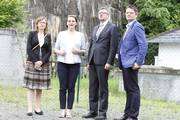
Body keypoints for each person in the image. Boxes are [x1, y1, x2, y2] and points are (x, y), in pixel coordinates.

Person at [82, 8, 119, 120]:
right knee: (92, 87)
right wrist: (88, 62)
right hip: (93, 62)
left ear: (108, 15)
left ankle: (102, 113)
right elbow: (92, 45)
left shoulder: (112, 28)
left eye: (103, 13)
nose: (101, 15)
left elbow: (113, 47)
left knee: (103, 88)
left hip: (103, 63)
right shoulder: (95, 28)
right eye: (99, 13)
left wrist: (109, 62)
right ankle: (92, 111)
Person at [114, 5, 148, 120]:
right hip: (125, 63)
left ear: (136, 14)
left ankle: (133, 117)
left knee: (133, 90)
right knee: (128, 90)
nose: (128, 14)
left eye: (131, 13)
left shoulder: (137, 26)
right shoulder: (128, 27)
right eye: (127, 13)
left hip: (132, 63)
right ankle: (127, 115)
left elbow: (143, 45)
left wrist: (138, 62)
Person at [54, 15, 86, 118]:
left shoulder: (80, 35)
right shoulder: (61, 34)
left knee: (71, 88)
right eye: (69, 21)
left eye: (73, 21)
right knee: (62, 88)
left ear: (76, 23)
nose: (71, 22)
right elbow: (55, 49)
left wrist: (78, 51)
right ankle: (62, 110)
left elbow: (84, 50)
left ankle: (69, 111)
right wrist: (59, 52)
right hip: (62, 63)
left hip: (75, 64)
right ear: (67, 23)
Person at [23, 16, 52, 116]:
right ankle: (30, 109)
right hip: (32, 63)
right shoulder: (31, 34)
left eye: (44, 23)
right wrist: (36, 61)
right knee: (30, 87)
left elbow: (49, 51)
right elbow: (28, 49)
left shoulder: (48, 36)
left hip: (43, 65)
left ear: (46, 25)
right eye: (40, 22)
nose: (42, 24)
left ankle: (37, 107)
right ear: (37, 24)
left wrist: (41, 62)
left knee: (39, 87)